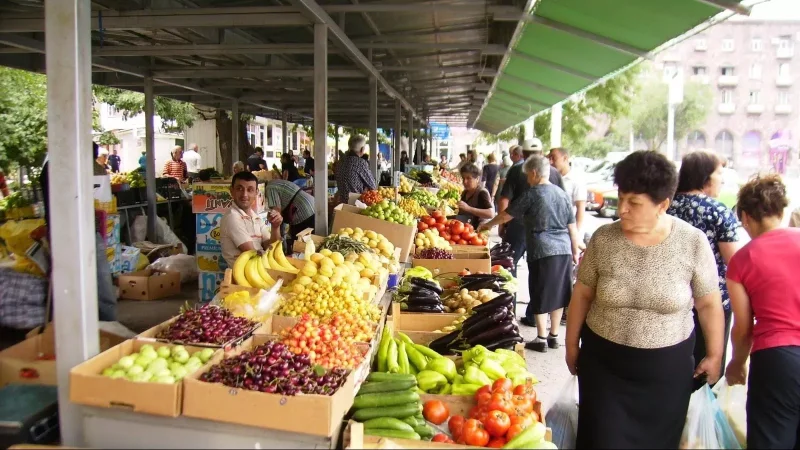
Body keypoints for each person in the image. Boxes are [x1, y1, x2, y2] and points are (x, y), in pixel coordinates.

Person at [565, 150, 725, 449]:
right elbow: (582, 294)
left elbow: (708, 304)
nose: (622, 209)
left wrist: (715, 355)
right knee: (602, 440)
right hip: (604, 368)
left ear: (662, 205)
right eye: (621, 197)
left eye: (634, 203)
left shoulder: (692, 242)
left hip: (666, 374)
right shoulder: (604, 239)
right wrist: (572, 344)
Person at [724, 175, 800, 449]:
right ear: (782, 211)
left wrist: (737, 363)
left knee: (772, 439)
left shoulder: (742, 260)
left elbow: (743, 328)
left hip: (778, 361)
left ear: (745, 217)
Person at [478, 155, 580, 351]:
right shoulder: (562, 194)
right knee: (559, 292)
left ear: (534, 173)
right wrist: (574, 252)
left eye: (527, 176)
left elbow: (507, 214)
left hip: (542, 248)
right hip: (564, 249)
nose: (527, 180)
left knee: (539, 290)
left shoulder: (533, 193)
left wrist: (488, 225)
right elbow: (572, 228)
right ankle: (553, 335)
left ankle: (541, 338)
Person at [667, 150, 742, 390]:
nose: (721, 179)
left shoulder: (665, 206)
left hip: (669, 301)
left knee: (672, 368)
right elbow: (737, 264)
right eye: (719, 173)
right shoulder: (718, 212)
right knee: (703, 371)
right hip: (710, 305)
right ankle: (695, 424)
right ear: (705, 177)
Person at [40, 143, 117, 322]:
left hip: (63, 229)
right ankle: (105, 323)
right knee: (100, 277)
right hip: (76, 228)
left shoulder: (52, 167)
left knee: (71, 278)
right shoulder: (67, 168)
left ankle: (75, 322)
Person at [498, 139, 564, 278]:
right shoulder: (554, 172)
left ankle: (509, 299)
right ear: (541, 152)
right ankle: (538, 299)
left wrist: (502, 225)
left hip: (518, 226)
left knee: (508, 264)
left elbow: (504, 199)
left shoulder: (516, 169)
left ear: (523, 154)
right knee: (541, 271)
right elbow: (563, 203)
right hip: (547, 229)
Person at [220, 171, 283, 268]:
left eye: (250, 190)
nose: (245, 194)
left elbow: (271, 247)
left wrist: (275, 227)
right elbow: (253, 254)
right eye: (239, 189)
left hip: (259, 268)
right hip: (244, 276)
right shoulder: (232, 217)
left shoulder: (255, 217)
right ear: (232, 191)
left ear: (257, 193)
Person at [265, 179, 315, 250]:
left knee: (300, 244)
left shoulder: (270, 188)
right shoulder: (276, 182)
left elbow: (276, 213)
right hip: (311, 204)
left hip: (303, 210)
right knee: (310, 242)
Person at [548, 147, 587, 234]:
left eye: (553, 158)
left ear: (565, 158)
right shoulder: (548, 176)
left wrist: (575, 234)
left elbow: (580, 207)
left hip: (566, 230)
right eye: (549, 158)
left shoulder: (577, 179)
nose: (551, 162)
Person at [334, 135, 377, 204]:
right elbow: (373, 185)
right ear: (362, 149)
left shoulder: (341, 162)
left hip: (342, 204)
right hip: (355, 204)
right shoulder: (360, 163)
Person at [455, 163, 494, 230]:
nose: (465, 182)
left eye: (468, 178)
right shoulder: (465, 192)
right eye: (463, 178)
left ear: (477, 179)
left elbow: (491, 213)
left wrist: (468, 208)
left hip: (478, 230)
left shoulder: (482, 193)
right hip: (465, 228)